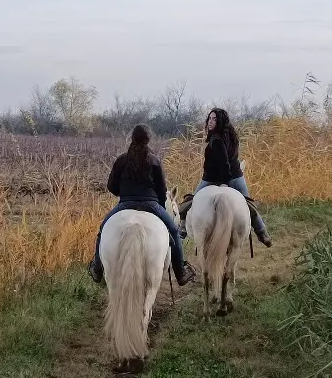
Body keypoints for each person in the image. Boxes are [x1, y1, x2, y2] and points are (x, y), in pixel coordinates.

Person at [88, 124, 196, 285]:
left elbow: (111, 186)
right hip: (151, 204)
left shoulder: (121, 160)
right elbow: (162, 189)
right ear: (148, 140)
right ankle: (180, 272)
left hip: (125, 204)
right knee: (173, 231)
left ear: (132, 138)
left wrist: (123, 193)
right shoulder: (155, 161)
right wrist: (158, 204)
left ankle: (97, 269)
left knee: (102, 230)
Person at [187, 107, 272, 247]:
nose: (210, 121)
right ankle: (262, 232)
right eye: (210, 118)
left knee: (190, 201)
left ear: (220, 121)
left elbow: (224, 162)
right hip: (236, 176)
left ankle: (182, 230)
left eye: (214, 119)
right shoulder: (232, 136)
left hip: (213, 179)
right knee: (249, 204)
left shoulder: (216, 139)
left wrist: (225, 183)